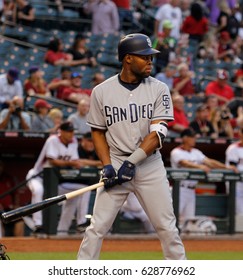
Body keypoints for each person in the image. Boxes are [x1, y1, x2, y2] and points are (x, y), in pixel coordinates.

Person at [77, 33, 186, 260]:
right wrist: (107, 166)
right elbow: (97, 131)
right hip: (116, 161)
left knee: (167, 228)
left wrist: (132, 161)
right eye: (144, 57)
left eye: (150, 57)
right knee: (96, 228)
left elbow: (158, 133)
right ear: (127, 59)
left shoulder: (159, 89)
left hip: (149, 165)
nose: (150, 61)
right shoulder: (101, 91)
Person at [26, 121, 86, 235]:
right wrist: (72, 164)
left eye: (72, 131)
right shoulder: (53, 140)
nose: (71, 134)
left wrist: (73, 163)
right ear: (61, 131)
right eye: (68, 131)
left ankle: (77, 225)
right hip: (37, 177)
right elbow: (52, 161)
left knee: (82, 190)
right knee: (39, 191)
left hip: (54, 182)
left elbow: (75, 161)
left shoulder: (73, 141)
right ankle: (37, 225)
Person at [170, 128, 237, 229]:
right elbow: (184, 163)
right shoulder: (176, 152)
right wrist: (200, 167)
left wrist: (226, 167)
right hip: (179, 190)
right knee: (174, 219)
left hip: (191, 191)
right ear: (185, 138)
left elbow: (209, 162)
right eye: (192, 137)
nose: (194, 140)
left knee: (189, 220)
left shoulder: (196, 152)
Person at [225, 128, 243, 215]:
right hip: (236, 184)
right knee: (239, 213)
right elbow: (233, 167)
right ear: (241, 134)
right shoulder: (233, 148)